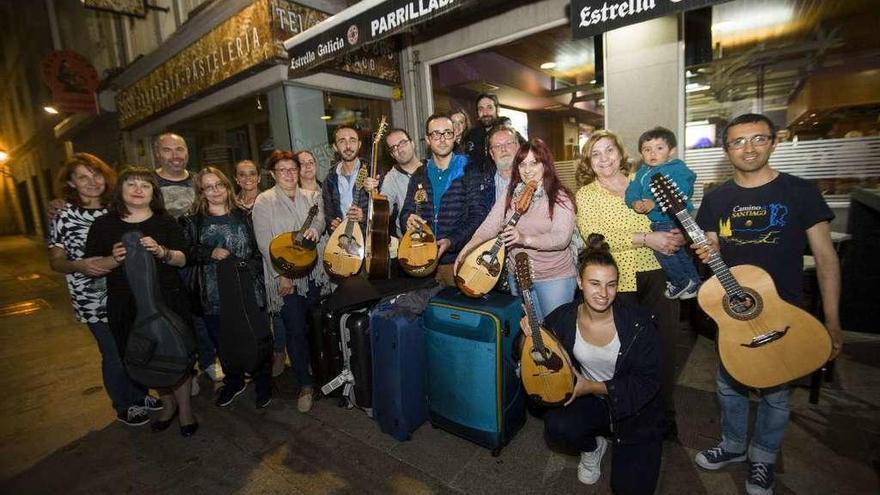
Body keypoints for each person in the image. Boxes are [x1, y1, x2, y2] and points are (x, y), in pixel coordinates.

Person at [692, 113, 843, 495]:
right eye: (738, 142)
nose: (749, 148)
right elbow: (713, 253)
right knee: (729, 386)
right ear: (727, 150)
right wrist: (705, 252)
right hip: (736, 311)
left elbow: (826, 259)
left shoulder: (800, 192)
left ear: (774, 141)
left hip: (785, 311)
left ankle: (763, 457)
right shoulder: (716, 199)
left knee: (776, 393)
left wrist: (832, 319)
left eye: (758, 138)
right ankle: (732, 445)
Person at [525, 234, 664, 493]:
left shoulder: (639, 323)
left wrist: (593, 386)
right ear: (579, 282)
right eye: (594, 283)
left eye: (611, 285)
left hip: (635, 406)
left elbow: (649, 382)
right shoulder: (563, 317)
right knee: (557, 426)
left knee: (629, 489)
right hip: (590, 401)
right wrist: (528, 339)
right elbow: (533, 353)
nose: (603, 293)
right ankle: (593, 447)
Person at [575, 129, 683, 441]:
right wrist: (647, 238)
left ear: (621, 153)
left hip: (659, 271)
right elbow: (595, 238)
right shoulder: (586, 195)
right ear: (589, 162)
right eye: (595, 154)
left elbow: (673, 212)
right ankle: (626, 412)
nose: (603, 158)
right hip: (616, 281)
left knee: (663, 347)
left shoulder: (645, 180)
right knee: (624, 352)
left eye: (608, 150)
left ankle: (665, 414)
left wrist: (674, 233)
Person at [48, 153, 161, 426]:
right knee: (113, 352)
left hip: (125, 290)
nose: (91, 182)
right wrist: (79, 265)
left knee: (134, 345)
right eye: (82, 177)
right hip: (91, 296)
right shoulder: (63, 214)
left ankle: (139, 393)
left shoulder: (116, 210)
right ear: (71, 183)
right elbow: (55, 261)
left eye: (96, 174)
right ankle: (125, 404)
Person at [84, 167, 197, 436]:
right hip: (126, 304)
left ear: (153, 193)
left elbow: (184, 258)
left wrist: (162, 251)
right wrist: (114, 259)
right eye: (131, 184)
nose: (138, 189)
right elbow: (92, 265)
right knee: (146, 356)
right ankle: (167, 404)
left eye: (145, 185)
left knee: (177, 355)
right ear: (120, 190)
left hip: (169, 299)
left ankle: (186, 411)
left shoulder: (166, 222)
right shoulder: (104, 225)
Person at [180, 167, 271, 409]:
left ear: (227, 186)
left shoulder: (244, 215)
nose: (215, 191)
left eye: (219, 184)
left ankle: (263, 383)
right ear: (201, 192)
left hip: (247, 290)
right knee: (224, 342)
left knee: (257, 337)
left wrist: (246, 266)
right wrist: (210, 252)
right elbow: (185, 251)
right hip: (213, 293)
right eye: (208, 187)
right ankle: (234, 381)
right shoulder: (192, 221)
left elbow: (257, 250)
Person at [456, 138, 576, 319]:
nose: (527, 170)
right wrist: (465, 253)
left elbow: (561, 238)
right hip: (518, 276)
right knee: (529, 333)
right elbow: (488, 226)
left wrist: (524, 239)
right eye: (522, 164)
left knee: (555, 334)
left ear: (546, 164)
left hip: (554, 277)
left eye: (534, 163)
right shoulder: (511, 192)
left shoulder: (560, 196)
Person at [253, 150, 327, 413]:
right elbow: (264, 244)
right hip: (285, 279)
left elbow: (320, 220)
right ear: (273, 174)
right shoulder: (264, 201)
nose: (288, 174)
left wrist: (316, 231)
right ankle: (305, 384)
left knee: (315, 326)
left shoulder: (312, 196)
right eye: (282, 170)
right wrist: (282, 275)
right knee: (295, 331)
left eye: (292, 169)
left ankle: (321, 374)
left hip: (314, 274)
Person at [399, 114, 487, 286]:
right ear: (428, 139)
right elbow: (405, 213)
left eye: (447, 133)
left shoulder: (469, 169)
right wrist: (407, 220)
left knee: (457, 312)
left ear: (454, 136)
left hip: (458, 261)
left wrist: (452, 241)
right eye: (436, 134)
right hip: (421, 260)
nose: (442, 139)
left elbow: (478, 214)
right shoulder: (419, 175)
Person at [624, 126, 701, 299]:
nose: (653, 153)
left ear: (671, 150)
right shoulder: (642, 172)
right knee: (677, 251)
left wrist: (655, 203)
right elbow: (632, 190)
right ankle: (693, 282)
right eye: (647, 149)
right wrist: (634, 201)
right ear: (641, 153)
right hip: (660, 221)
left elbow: (684, 188)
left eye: (659, 148)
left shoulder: (677, 168)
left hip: (672, 217)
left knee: (663, 251)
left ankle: (680, 281)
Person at [463, 93, 513, 212]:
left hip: (503, 190)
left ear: (497, 109)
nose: (485, 112)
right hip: (477, 195)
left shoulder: (508, 133)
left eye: (489, 107)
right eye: (481, 109)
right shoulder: (471, 135)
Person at [322, 126, 370, 236]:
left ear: (359, 144)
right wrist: (333, 224)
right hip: (343, 242)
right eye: (342, 141)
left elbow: (386, 212)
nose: (348, 146)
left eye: (352, 140)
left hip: (369, 241)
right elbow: (329, 215)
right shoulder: (329, 180)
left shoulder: (373, 172)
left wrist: (364, 217)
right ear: (335, 147)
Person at [382, 128, 423, 238]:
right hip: (409, 239)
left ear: (412, 144)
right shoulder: (391, 178)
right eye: (393, 148)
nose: (399, 150)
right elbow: (384, 213)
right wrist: (374, 196)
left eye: (402, 143)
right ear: (392, 155)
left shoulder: (431, 168)